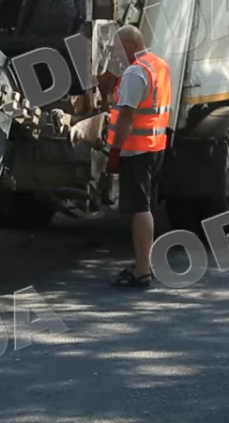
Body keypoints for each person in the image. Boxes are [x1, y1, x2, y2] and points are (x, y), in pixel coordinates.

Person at [99, 25, 172, 289]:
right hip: (155, 146)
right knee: (145, 206)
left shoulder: (135, 72)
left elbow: (128, 116)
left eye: (117, 49)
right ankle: (143, 265)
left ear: (129, 45)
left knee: (139, 209)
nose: (115, 56)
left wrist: (114, 153)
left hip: (137, 149)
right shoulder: (159, 65)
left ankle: (142, 272)